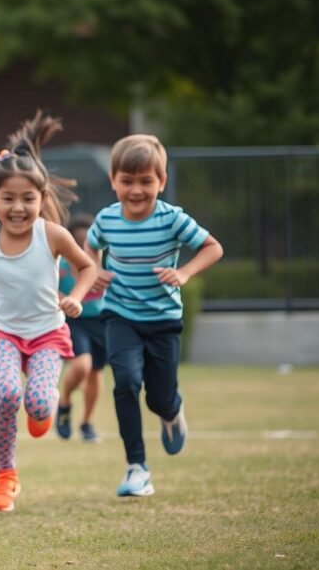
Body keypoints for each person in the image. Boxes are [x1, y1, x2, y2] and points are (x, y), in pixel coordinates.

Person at [0, 112, 97, 513]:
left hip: (48, 333)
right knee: (9, 393)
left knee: (39, 405)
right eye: (8, 199)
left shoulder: (53, 235)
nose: (18, 207)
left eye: (28, 198)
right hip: (1, 333)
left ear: (42, 199)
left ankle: (43, 407)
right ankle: (5, 476)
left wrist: (78, 297)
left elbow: (88, 267)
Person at [85, 134, 223, 497]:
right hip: (120, 316)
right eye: (127, 181)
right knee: (126, 382)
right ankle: (137, 468)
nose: (136, 189)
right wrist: (94, 270)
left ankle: (172, 412)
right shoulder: (106, 219)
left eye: (146, 181)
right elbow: (90, 246)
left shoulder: (172, 219)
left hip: (163, 320)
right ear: (114, 181)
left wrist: (185, 273)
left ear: (161, 182)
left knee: (158, 398)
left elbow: (213, 247)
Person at [56, 213, 107, 443]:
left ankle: (87, 423)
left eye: (88, 243)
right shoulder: (62, 267)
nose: (83, 248)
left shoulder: (103, 265)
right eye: (79, 242)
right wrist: (65, 299)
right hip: (74, 321)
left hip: (100, 321)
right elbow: (47, 288)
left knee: (96, 373)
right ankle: (64, 401)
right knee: (82, 366)